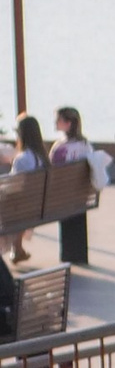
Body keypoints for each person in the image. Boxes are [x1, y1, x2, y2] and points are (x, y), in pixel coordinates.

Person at [49, 104, 101, 267]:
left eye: (58, 119)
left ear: (68, 123)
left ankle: (69, 254)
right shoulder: (85, 145)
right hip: (81, 195)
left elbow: (52, 171)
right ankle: (79, 254)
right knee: (78, 220)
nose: (55, 122)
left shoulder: (60, 148)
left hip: (63, 196)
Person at [6, 114, 39, 268]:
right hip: (38, 205)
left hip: (22, 207)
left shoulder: (22, 159)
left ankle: (16, 249)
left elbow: (13, 186)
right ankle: (17, 249)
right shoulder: (42, 157)